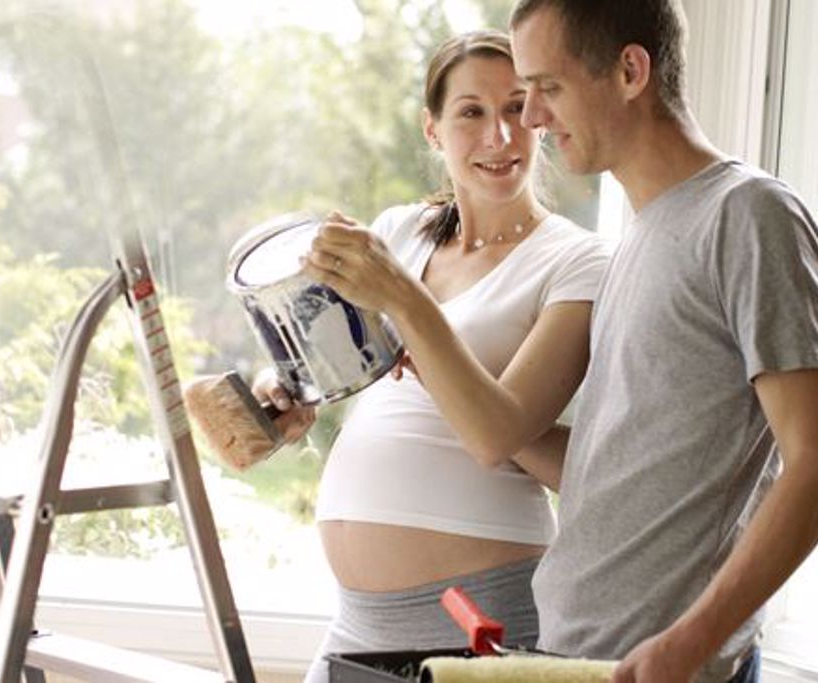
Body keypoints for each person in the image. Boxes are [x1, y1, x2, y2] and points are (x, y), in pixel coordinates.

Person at [502, 1, 818, 682]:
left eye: (547, 87)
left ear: (630, 70)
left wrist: (689, 642)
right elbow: (625, 468)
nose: (530, 120)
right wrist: (475, 406)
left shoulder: (748, 215)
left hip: (665, 668)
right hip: (573, 651)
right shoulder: (636, 236)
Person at [255, 29, 610, 683]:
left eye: (515, 107)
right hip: (354, 619)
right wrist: (287, 394)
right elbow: (331, 364)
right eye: (471, 112)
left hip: (476, 613)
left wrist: (402, 301)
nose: (499, 136)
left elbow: (499, 432)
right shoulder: (400, 231)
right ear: (432, 129)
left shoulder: (576, 261)